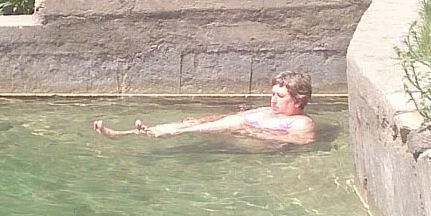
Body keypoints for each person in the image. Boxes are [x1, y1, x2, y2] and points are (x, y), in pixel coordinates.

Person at [93, 70, 317, 145]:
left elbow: (300, 143)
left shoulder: (302, 123)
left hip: (248, 143)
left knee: (237, 122)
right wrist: (200, 120)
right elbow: (230, 117)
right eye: (272, 95)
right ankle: (126, 133)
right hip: (236, 134)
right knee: (199, 122)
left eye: (280, 96)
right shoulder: (265, 111)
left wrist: (249, 131)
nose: (273, 101)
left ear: (297, 100)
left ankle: (168, 133)